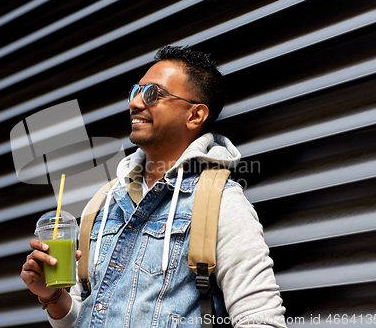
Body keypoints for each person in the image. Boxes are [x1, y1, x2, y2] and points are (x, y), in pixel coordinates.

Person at [21, 45, 287, 327]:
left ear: (195, 115)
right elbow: (82, 317)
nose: (135, 103)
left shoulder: (220, 202)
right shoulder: (103, 202)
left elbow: (261, 319)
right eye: (136, 91)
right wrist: (51, 296)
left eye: (153, 94)